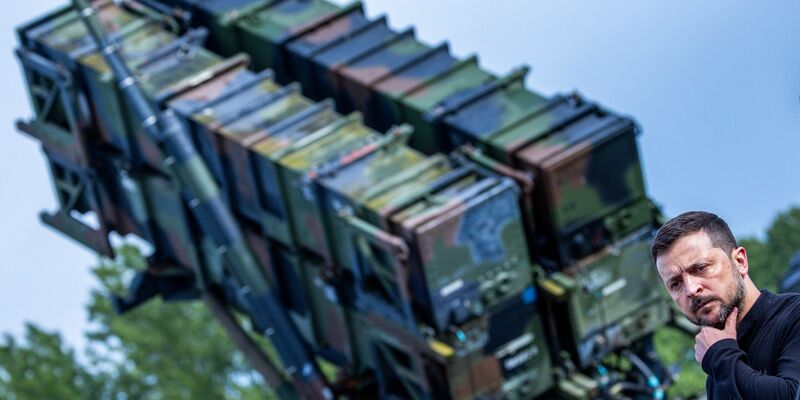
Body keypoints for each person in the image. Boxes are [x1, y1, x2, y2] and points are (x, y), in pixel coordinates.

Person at [651, 211, 800, 399]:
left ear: (740, 262)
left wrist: (720, 356)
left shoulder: (794, 316)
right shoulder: (717, 372)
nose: (691, 289)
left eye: (701, 268)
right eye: (675, 284)